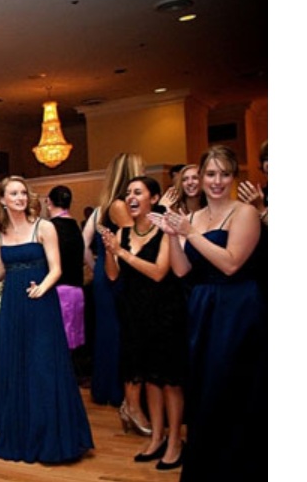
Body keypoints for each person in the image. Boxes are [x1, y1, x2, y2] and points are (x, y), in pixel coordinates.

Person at [161, 147, 266, 479]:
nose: (217, 181)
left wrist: (190, 233)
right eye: (211, 174)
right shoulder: (192, 218)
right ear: (202, 177)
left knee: (233, 389)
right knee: (205, 391)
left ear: (233, 177)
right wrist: (172, 236)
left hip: (237, 309)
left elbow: (231, 263)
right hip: (202, 309)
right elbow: (182, 270)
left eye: (224, 174)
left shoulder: (244, 213)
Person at [0, 176, 94, 464]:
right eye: (13, 194)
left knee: (44, 367)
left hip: (42, 304)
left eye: (23, 193)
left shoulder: (44, 227)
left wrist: (43, 287)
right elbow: (1, 272)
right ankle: (23, 438)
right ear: (2, 200)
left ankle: (55, 440)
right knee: (17, 366)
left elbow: (57, 268)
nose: (20, 198)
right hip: (13, 306)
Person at [98, 176, 187, 467]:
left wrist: (122, 253)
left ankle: (175, 441)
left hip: (165, 313)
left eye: (138, 192)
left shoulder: (165, 230)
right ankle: (157, 437)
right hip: (134, 315)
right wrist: (111, 250)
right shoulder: (122, 232)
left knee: (169, 381)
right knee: (148, 379)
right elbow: (113, 275)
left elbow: (159, 272)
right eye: (128, 193)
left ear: (154, 198)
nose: (131, 198)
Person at [82, 151, 147, 429]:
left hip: (105, 273)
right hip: (117, 276)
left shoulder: (103, 206)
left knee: (111, 331)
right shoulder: (119, 206)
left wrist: (93, 265)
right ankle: (118, 392)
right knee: (119, 333)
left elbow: (83, 243)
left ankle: (108, 388)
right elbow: (135, 239)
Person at [45, 186, 86, 353]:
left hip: (59, 292)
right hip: (77, 290)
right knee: (73, 345)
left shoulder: (50, 228)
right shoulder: (75, 226)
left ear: (48, 202)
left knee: (58, 345)